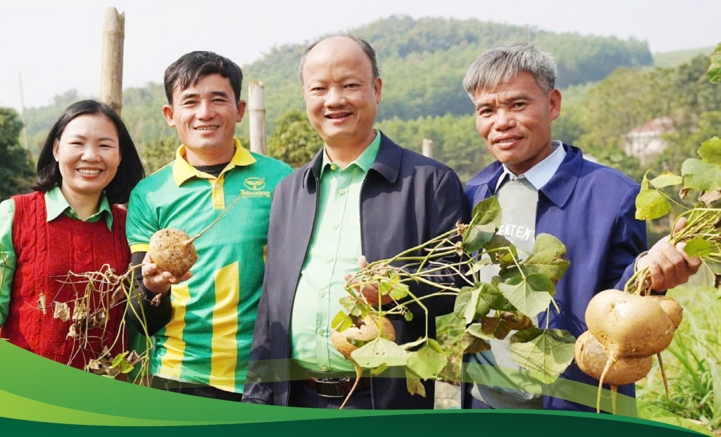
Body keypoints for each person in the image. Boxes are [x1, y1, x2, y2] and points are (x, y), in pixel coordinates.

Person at [459, 42, 702, 412]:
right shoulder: (476, 193)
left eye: (518, 105)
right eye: (486, 110)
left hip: (579, 406)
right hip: (485, 406)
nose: (501, 122)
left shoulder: (614, 195)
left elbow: (626, 303)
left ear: (553, 104)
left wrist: (652, 274)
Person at [242, 35, 469, 409]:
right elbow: (272, 307)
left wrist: (398, 288)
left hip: (382, 402)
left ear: (376, 90)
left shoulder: (430, 181)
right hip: (295, 398)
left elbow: (457, 278)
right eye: (320, 89)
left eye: (350, 85)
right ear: (305, 95)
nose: (334, 100)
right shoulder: (289, 191)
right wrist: (257, 397)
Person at [125, 51, 293, 401]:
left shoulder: (282, 180)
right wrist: (153, 288)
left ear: (240, 109)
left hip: (265, 373)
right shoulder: (150, 194)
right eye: (190, 101)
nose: (205, 113)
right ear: (171, 115)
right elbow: (140, 309)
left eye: (218, 99)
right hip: (181, 374)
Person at [0, 100, 146, 371]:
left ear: (120, 156)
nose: (91, 155)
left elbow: (138, 322)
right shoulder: (15, 214)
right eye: (77, 143)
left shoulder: (134, 228)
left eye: (105, 145)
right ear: (56, 149)